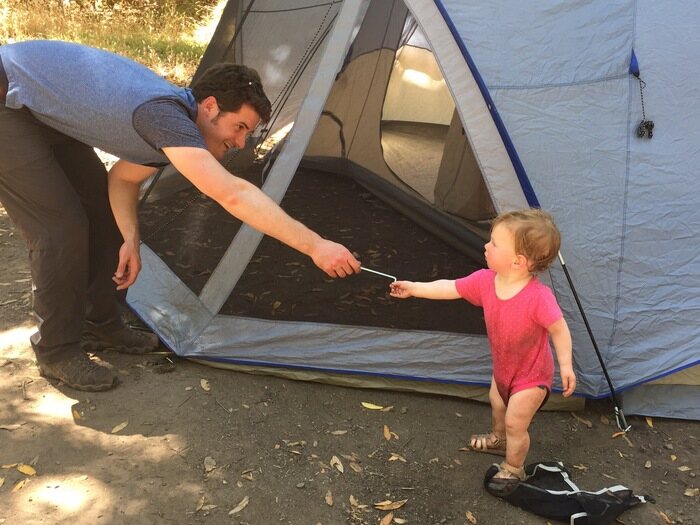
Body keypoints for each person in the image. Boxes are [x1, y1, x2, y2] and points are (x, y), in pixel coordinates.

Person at [0, 40, 361, 392]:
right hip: (8, 100)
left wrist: (130, 238)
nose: (241, 143)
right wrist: (315, 245)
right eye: (239, 128)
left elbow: (122, 180)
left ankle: (101, 323)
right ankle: (56, 350)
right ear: (209, 106)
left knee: (101, 209)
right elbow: (233, 194)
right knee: (60, 230)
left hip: (39, 105)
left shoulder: (175, 123)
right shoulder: (164, 118)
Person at [389, 208, 576, 482]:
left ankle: (513, 469)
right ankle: (499, 441)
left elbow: (559, 329)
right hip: (503, 368)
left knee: (515, 422)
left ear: (517, 262)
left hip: (532, 376)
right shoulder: (485, 281)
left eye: (494, 244)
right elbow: (449, 287)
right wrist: (415, 288)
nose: (486, 246)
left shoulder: (538, 297)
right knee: (497, 404)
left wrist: (566, 365)